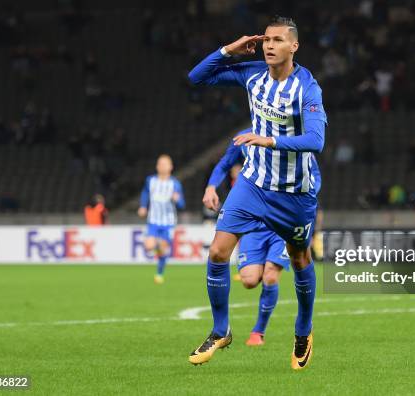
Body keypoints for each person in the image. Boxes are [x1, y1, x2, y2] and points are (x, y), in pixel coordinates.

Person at [187, 16, 327, 370]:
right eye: (266, 39)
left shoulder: (306, 87)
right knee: (218, 253)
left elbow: (316, 140)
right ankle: (221, 330)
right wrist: (227, 50)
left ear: (293, 46)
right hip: (253, 183)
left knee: (299, 260)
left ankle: (303, 330)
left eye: (278, 40)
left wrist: (268, 140)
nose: (269, 45)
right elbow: (196, 77)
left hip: (294, 193)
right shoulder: (252, 74)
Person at [203, 127, 322, 347]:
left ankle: (258, 331)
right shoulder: (246, 136)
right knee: (249, 280)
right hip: (255, 224)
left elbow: (315, 175)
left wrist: (302, 203)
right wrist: (211, 186)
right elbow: (225, 163)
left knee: (270, 276)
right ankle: (225, 328)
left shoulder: (294, 140)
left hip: (282, 222)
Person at [138, 155, 185, 284]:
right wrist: (143, 206)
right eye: (160, 164)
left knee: (163, 249)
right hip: (153, 220)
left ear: (171, 167)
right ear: (157, 166)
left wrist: (177, 200)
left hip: (168, 222)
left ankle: (159, 273)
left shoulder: (175, 183)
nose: (162, 166)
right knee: (149, 246)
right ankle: (158, 246)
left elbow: (182, 204)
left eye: (165, 164)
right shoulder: (150, 180)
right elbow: (145, 193)